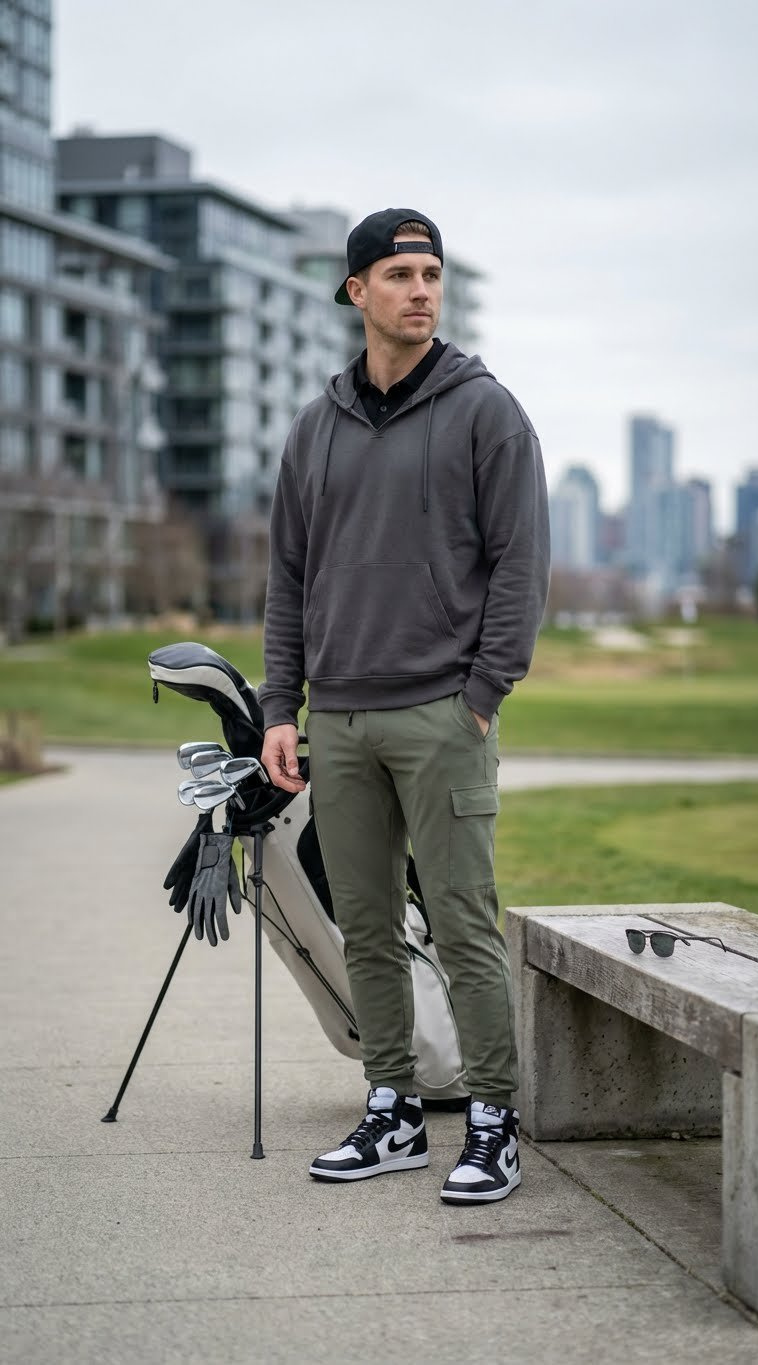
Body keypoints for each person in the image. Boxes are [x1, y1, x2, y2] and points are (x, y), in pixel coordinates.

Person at [259, 208, 550, 1203]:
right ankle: (391, 1110)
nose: (421, 290)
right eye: (399, 274)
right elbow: (289, 580)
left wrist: (482, 694)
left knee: (463, 922)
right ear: (356, 292)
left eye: (432, 274)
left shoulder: (486, 411)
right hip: (337, 719)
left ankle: (495, 1121)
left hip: (442, 715)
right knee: (368, 928)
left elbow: (521, 565)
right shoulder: (317, 427)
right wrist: (279, 708)